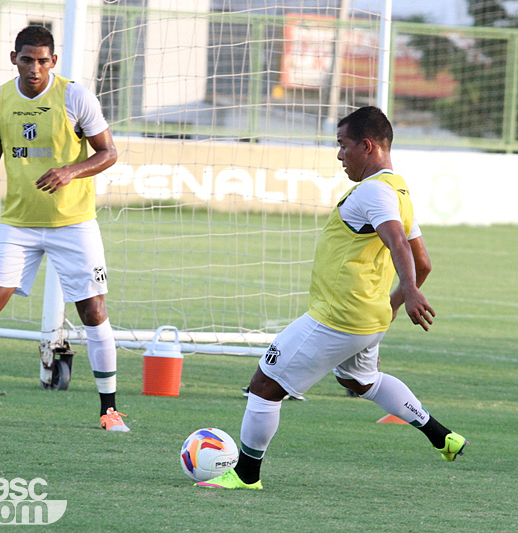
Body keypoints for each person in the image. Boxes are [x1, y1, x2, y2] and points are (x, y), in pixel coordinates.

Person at [196, 106, 467, 490]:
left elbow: (397, 244)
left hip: (337, 317)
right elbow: (423, 260)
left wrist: (407, 291)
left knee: (264, 386)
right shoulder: (399, 191)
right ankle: (442, 435)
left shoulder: (373, 191)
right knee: (362, 382)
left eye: (343, 145)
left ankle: (245, 476)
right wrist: (395, 302)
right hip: (369, 317)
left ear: (367, 146)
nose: (339, 155)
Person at [0, 25, 129, 432]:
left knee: (93, 311)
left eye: (42, 60)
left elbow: (109, 152)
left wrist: (72, 170)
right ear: (14, 58)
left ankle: (109, 410)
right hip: (18, 224)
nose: (34, 68)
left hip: (73, 223)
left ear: (53, 61)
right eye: (26, 59)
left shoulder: (75, 97)